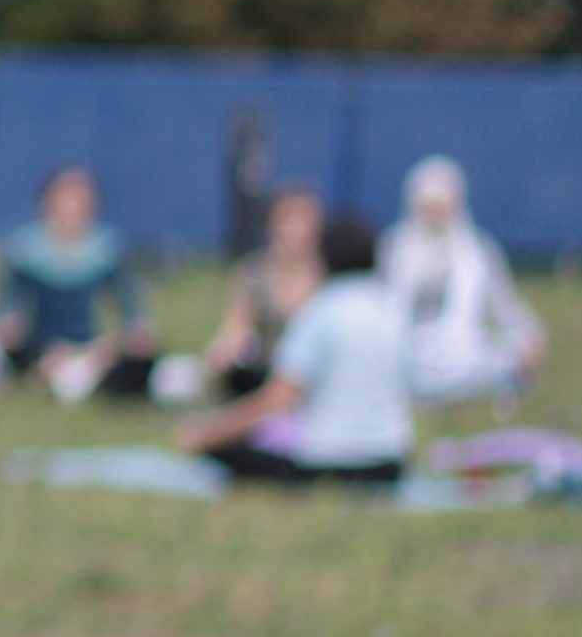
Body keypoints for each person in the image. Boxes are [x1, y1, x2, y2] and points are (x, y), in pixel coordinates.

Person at [176, 212, 411, 485]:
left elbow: (278, 398)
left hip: (331, 461)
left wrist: (209, 433)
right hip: (390, 463)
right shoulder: (393, 311)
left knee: (229, 452)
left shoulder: (321, 311)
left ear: (323, 260)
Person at [0, 164, 155, 400]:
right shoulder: (26, 247)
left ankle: (72, 378)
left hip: (90, 348)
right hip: (37, 347)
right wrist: (8, 329)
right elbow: (5, 308)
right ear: (47, 204)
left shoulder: (106, 248)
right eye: (66, 198)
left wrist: (132, 337)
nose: (73, 207)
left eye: (81, 199)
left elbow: (132, 313)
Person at [385, 154, 546, 406]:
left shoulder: (479, 251)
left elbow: (504, 308)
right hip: (403, 354)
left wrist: (529, 338)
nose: (437, 213)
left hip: (464, 354)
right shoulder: (394, 248)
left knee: (507, 357)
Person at [194, 184, 328, 400]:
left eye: (304, 220)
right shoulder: (254, 274)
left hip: (314, 373)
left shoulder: (328, 275)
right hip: (267, 369)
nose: (296, 230)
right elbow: (236, 326)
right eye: (287, 221)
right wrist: (223, 354)